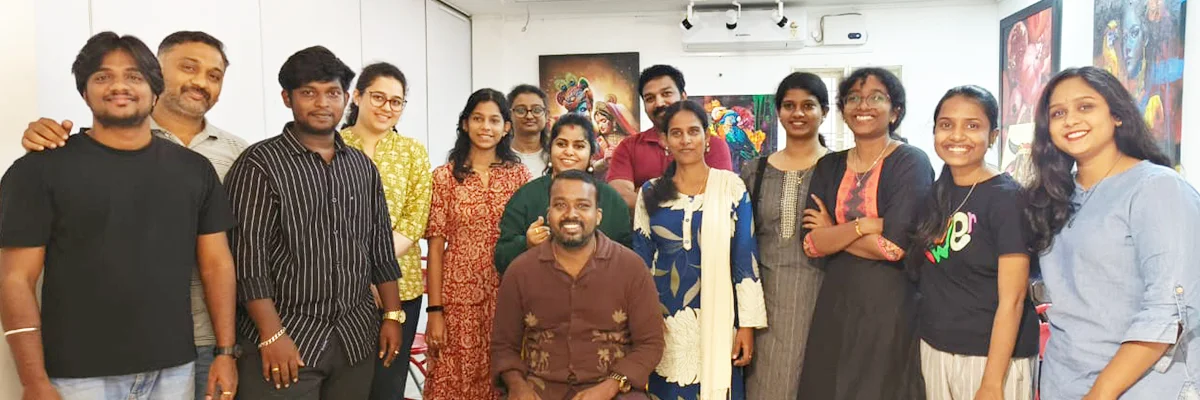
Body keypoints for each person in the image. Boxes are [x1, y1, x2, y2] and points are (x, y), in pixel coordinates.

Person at [0, 32, 238, 400]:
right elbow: (15, 279)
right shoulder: (38, 169)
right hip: (78, 376)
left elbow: (217, 265)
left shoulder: (195, 169)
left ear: (154, 90)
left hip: (175, 369)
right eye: (102, 76)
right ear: (84, 92)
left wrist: (225, 352)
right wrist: (33, 381)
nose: (119, 86)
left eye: (133, 76)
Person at [224, 46, 405, 400]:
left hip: (354, 339)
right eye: (309, 92)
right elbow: (248, 261)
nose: (322, 103)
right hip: (287, 340)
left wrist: (393, 315)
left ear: (346, 99)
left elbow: (380, 249)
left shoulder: (362, 168)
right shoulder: (259, 164)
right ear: (287, 98)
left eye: (332, 93)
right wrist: (271, 335)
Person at [1026, 66, 1200, 399]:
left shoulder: (1157, 188)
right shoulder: (1055, 198)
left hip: (1142, 386)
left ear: (1117, 115)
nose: (1071, 120)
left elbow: (1169, 310)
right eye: (1058, 113)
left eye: (1085, 106)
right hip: (1063, 382)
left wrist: (1100, 393)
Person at [796, 67, 931, 400]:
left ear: (895, 111)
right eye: (853, 98)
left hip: (890, 305)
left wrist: (834, 233)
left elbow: (894, 248)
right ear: (843, 110)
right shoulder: (829, 166)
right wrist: (865, 225)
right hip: (836, 303)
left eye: (876, 97)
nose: (863, 105)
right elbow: (811, 244)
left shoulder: (910, 162)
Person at [633, 100, 767, 400]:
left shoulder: (730, 187)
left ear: (707, 138)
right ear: (665, 141)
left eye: (693, 131)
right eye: (676, 133)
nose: (686, 140)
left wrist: (747, 326)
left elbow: (745, 258)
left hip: (719, 319)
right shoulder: (650, 192)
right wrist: (640, 322)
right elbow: (640, 262)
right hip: (663, 320)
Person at [491, 170, 665, 400]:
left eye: (582, 206)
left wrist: (610, 387)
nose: (571, 214)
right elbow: (503, 346)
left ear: (598, 216)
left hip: (612, 391)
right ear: (549, 213)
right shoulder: (520, 270)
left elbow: (650, 344)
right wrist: (517, 386)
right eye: (560, 205)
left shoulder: (631, 268)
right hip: (539, 390)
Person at [913, 86, 1038, 400]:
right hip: (936, 348)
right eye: (946, 125)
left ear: (993, 136)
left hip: (990, 358)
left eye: (972, 125)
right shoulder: (936, 193)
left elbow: (1013, 299)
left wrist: (992, 382)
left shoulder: (1007, 200)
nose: (957, 135)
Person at [424, 89, 531, 400]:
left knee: (504, 374)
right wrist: (435, 311)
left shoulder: (519, 176)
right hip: (457, 297)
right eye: (478, 119)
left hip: (507, 292)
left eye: (494, 120)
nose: (486, 127)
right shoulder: (444, 177)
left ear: (506, 127)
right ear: (465, 124)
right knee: (454, 377)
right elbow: (435, 249)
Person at [338, 62, 433, 400]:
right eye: (378, 97)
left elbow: (414, 219)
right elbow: (324, 221)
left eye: (396, 101)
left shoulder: (412, 152)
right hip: (341, 287)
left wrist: (374, 270)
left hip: (401, 286)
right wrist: (361, 275)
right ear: (357, 97)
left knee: (388, 385)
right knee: (345, 384)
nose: (387, 107)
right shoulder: (333, 146)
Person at [739, 72, 830, 400]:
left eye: (808, 105)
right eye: (789, 105)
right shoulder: (755, 170)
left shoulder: (838, 168)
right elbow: (742, 244)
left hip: (824, 299)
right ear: (778, 112)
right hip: (765, 306)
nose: (798, 113)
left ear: (824, 112)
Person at [495, 113, 632, 274]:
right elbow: (501, 258)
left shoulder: (611, 200)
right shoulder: (526, 196)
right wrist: (526, 244)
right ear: (550, 149)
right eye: (561, 144)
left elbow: (627, 259)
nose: (569, 152)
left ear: (591, 154)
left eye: (579, 146)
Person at [607, 65, 733, 210]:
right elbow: (620, 198)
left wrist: (643, 195)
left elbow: (718, 198)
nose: (659, 103)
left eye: (666, 94)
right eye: (650, 98)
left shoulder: (712, 144)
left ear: (683, 97)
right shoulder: (628, 147)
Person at [508, 84, 550, 179]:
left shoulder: (555, 156)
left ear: (547, 115)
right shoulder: (498, 156)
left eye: (537, 110)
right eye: (521, 110)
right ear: (510, 115)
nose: (529, 116)